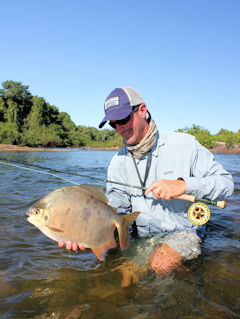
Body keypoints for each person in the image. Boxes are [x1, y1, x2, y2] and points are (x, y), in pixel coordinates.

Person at [59, 87, 234, 275]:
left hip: (184, 233)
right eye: (113, 124)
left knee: (160, 265)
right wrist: (86, 233)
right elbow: (118, 210)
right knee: (122, 278)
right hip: (143, 238)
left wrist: (184, 185)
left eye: (124, 119)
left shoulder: (186, 144)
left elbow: (226, 183)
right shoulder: (117, 163)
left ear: (142, 110)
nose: (119, 128)